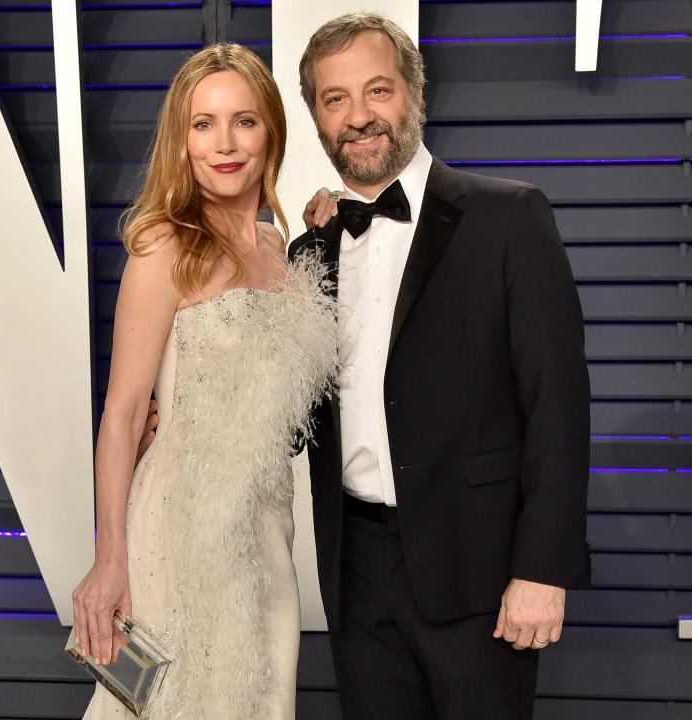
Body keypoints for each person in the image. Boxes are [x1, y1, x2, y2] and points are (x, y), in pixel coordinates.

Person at [287, 12, 591, 720]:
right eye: (336, 100)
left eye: (378, 91)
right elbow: (292, 413)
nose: (359, 117)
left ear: (416, 96)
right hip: (356, 571)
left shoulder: (510, 217)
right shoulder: (310, 253)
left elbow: (558, 402)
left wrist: (542, 568)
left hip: (480, 568)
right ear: (318, 119)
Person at [72, 42, 338, 720]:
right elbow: (125, 414)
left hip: (265, 536)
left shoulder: (284, 250)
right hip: (178, 532)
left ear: (271, 131)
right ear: (181, 140)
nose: (225, 143)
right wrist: (110, 561)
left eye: (244, 121)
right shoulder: (163, 247)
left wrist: (335, 235)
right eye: (203, 124)